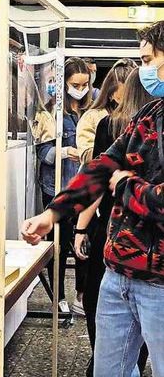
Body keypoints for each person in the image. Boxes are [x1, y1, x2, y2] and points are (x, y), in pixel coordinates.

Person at [21, 20, 164, 377]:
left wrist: (123, 185)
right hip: (119, 275)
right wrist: (52, 215)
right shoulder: (150, 114)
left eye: (149, 59)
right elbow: (102, 167)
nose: (144, 69)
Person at [73, 68, 153, 377]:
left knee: (105, 307)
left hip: (113, 231)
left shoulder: (112, 124)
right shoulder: (147, 127)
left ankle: (110, 363)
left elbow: (96, 179)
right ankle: (133, 364)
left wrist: (81, 227)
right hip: (146, 238)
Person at [35, 57, 91, 314]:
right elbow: (43, 153)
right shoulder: (51, 114)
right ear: (63, 83)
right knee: (58, 245)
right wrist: (65, 150)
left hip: (85, 188)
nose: (80, 89)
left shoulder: (91, 112)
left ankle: (82, 294)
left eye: (85, 84)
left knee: (83, 243)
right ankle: (58, 297)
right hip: (57, 187)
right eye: (75, 84)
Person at [77, 59, 137, 165]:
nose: (128, 102)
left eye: (132, 96)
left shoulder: (145, 115)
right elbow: (86, 155)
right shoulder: (94, 117)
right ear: (110, 93)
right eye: (123, 97)